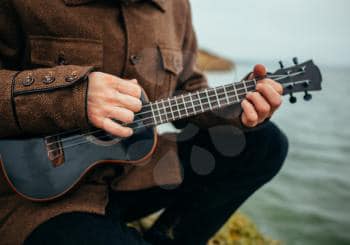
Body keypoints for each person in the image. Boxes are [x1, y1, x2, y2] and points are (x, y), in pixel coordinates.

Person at [0, 0, 288, 244]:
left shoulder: (175, 6)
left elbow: (189, 91)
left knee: (265, 144)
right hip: (36, 195)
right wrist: (70, 96)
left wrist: (235, 108)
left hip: (138, 172)